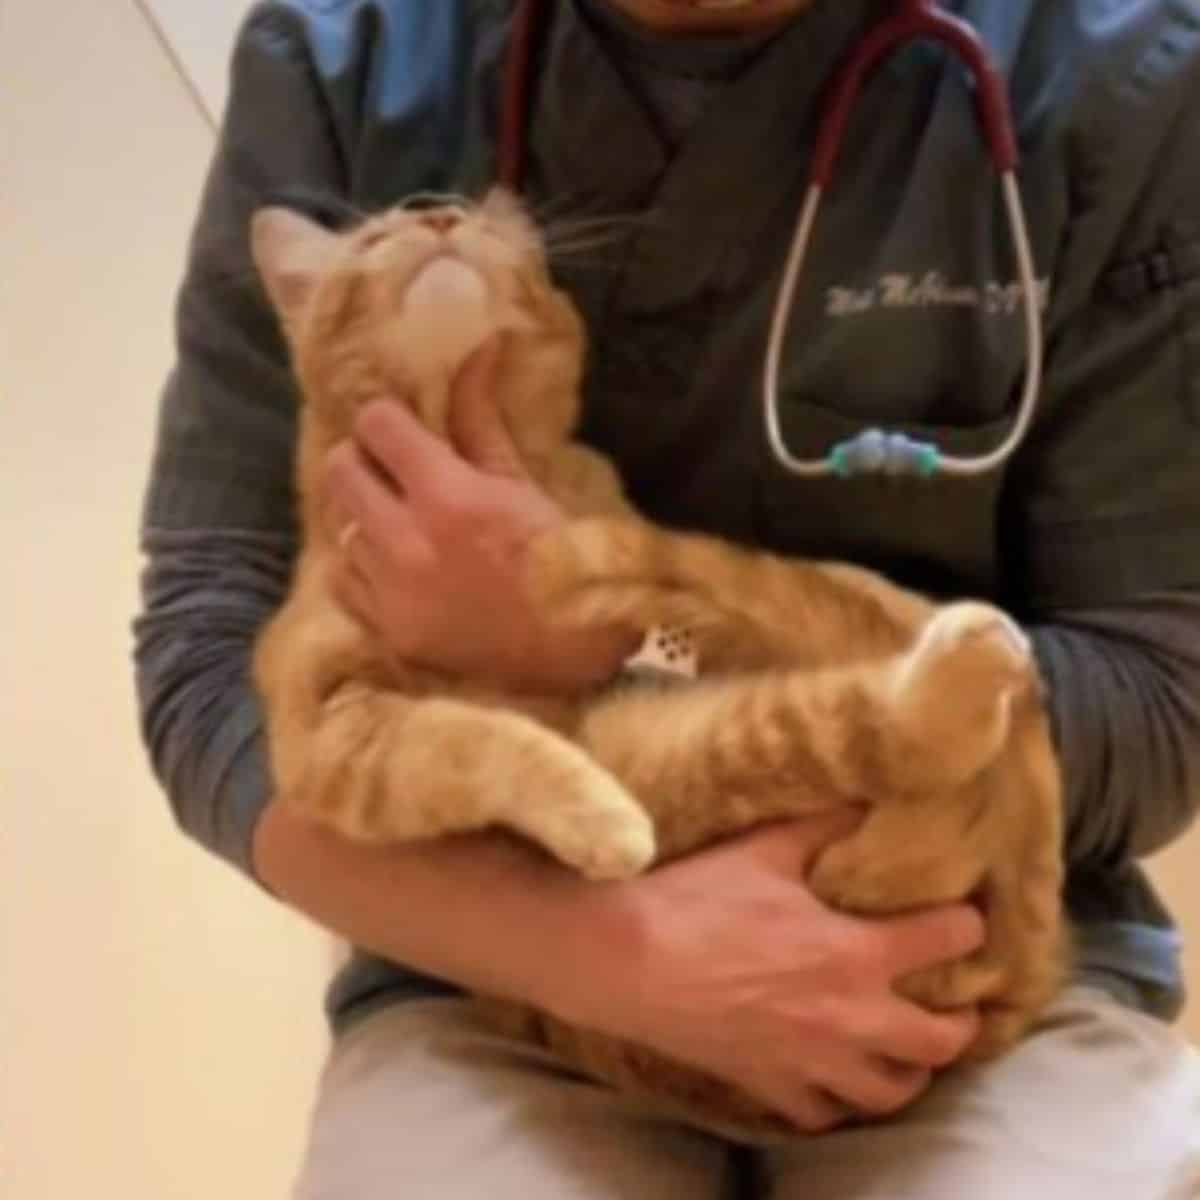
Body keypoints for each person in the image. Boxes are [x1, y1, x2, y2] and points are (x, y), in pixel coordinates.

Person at [133, 0, 1200, 1195]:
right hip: (496, 964)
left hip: (962, 935)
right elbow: (204, 663)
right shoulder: (351, 60)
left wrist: (616, 637)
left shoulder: (1118, 76)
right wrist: (584, 946)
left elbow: (1161, 695)